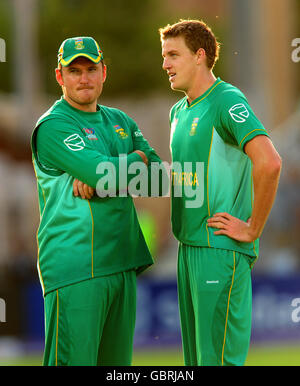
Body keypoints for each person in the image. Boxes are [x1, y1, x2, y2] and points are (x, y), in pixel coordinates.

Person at [31, 36, 165, 366]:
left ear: (104, 72)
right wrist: (133, 160)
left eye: (91, 69)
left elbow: (160, 178)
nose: (84, 78)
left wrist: (108, 175)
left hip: (121, 262)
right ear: (60, 77)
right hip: (76, 265)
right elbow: (103, 173)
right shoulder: (53, 125)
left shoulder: (120, 121)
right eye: (74, 71)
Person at [159, 20, 282, 366]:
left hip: (219, 248)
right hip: (188, 249)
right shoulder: (178, 111)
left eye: (173, 55)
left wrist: (252, 228)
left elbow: (270, 162)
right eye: (164, 55)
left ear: (199, 56)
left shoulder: (226, 99)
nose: (165, 64)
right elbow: (188, 177)